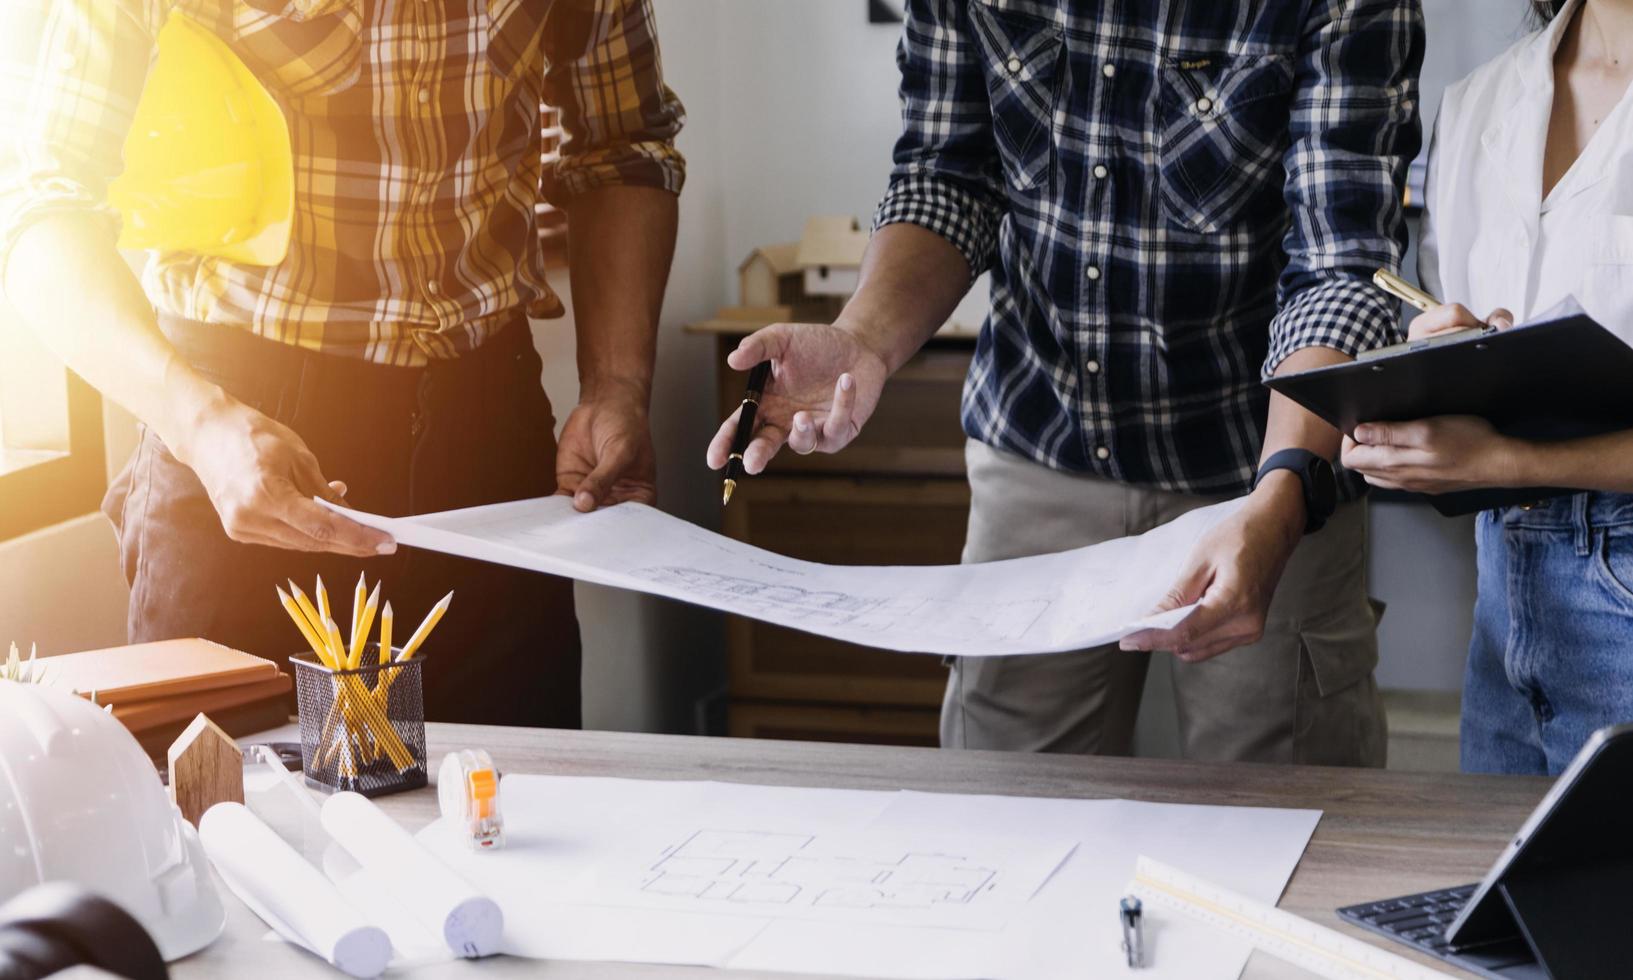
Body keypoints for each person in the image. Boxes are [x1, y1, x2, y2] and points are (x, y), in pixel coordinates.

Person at [708, 0, 1424, 765]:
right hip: (1040, 440)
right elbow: (947, 179)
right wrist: (862, 340)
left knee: (1283, 801)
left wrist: (1285, 492)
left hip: (1266, 463)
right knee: (1000, 814)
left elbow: (1339, 265)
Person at [0, 0, 685, 727]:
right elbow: (40, 209)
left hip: (489, 433)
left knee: (511, 817)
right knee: (226, 816)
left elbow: (623, 149)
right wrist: (198, 423)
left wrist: (616, 382)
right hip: (237, 439)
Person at [1343, 0, 1633, 775]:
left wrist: (1506, 461)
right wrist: (1439, 364)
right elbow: (1452, 317)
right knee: (1503, 889)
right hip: (1503, 593)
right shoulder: (1476, 102)